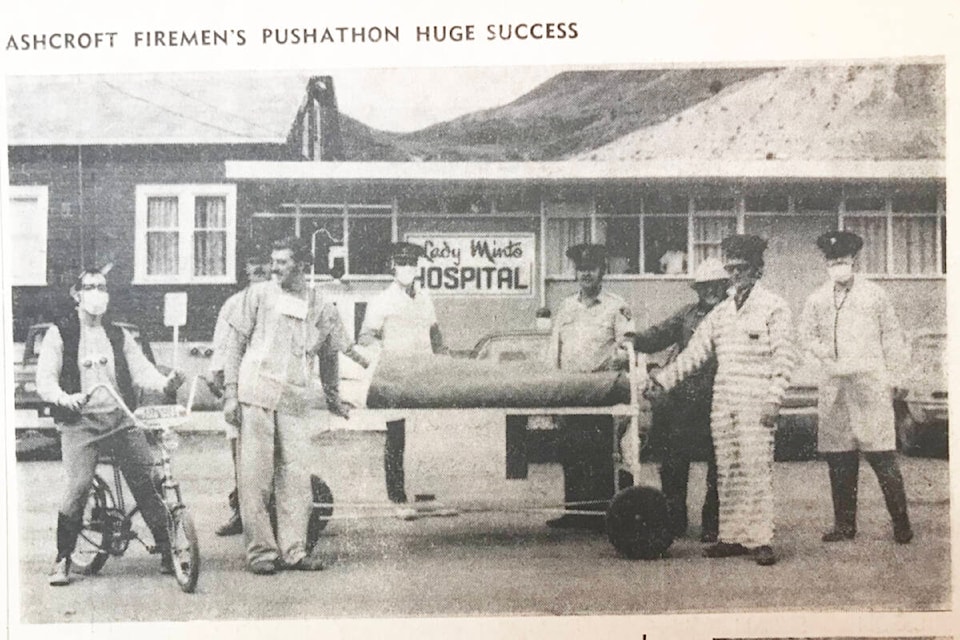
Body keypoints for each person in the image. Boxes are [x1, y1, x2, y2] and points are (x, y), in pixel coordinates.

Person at [647, 235, 795, 565]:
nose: (736, 275)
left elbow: (784, 358)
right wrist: (663, 380)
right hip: (723, 399)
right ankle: (731, 537)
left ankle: (760, 539)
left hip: (756, 399)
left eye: (742, 268)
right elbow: (693, 355)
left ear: (758, 270)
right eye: (731, 269)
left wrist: (775, 399)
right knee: (728, 469)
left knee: (755, 469)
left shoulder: (774, 307)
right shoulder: (721, 312)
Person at [38, 268, 184, 586]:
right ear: (76, 295)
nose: (97, 293)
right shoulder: (60, 333)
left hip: (120, 420)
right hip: (81, 423)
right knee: (78, 487)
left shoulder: (116, 334)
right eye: (90, 287)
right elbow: (45, 381)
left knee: (148, 479)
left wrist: (165, 382)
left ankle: (167, 548)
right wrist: (66, 398)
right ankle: (63, 558)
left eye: (102, 287)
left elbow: (141, 370)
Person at [222, 236, 351, 574]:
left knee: (296, 477)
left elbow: (329, 353)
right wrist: (230, 392)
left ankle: (294, 551)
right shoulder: (258, 295)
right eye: (273, 261)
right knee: (255, 478)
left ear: (302, 266)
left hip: (294, 398)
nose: (274, 267)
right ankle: (262, 553)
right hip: (256, 394)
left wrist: (334, 396)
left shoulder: (321, 305)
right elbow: (234, 345)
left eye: (282, 262)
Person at [799, 230, 913, 544]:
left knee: (882, 455)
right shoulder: (817, 298)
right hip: (835, 386)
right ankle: (844, 525)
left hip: (869, 385)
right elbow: (806, 336)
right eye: (833, 261)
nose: (839, 266)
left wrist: (898, 377)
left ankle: (901, 523)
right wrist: (822, 352)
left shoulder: (874, 295)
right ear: (826, 263)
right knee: (839, 457)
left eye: (844, 261)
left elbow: (892, 337)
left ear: (854, 260)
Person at [632, 258, 727, 542]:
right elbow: (657, 336)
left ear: (725, 286)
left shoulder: (734, 314)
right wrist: (632, 338)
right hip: (684, 400)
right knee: (673, 462)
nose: (710, 291)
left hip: (720, 395)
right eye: (704, 286)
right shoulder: (686, 316)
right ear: (697, 289)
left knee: (720, 463)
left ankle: (714, 522)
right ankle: (674, 518)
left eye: (716, 285)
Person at [546, 243, 635, 530]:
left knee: (599, 451)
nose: (586, 274)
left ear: (602, 272)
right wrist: (552, 387)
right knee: (570, 451)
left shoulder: (616, 306)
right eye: (581, 269)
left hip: (600, 390)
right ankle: (574, 512)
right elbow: (554, 349)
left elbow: (628, 345)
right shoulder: (566, 306)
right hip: (569, 389)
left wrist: (617, 361)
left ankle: (601, 514)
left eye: (591, 269)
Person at [358, 242, 447, 504]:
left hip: (424, 374)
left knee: (424, 435)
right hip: (397, 376)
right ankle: (397, 496)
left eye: (412, 263)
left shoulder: (425, 298)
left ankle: (425, 494)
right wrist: (384, 357)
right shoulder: (381, 300)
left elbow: (434, 332)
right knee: (397, 437)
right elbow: (366, 336)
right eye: (402, 262)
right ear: (392, 267)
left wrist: (443, 356)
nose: (407, 267)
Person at [208, 253, 271, 536]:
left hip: (273, 391)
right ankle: (241, 512)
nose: (258, 266)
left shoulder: (279, 301)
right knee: (242, 457)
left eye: (265, 261)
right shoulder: (234, 304)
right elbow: (223, 349)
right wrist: (220, 380)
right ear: (245, 267)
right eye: (252, 261)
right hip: (241, 388)